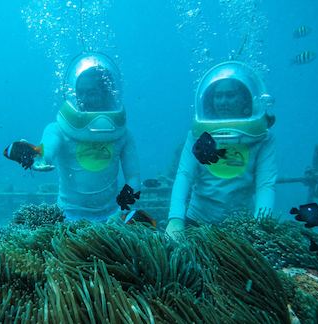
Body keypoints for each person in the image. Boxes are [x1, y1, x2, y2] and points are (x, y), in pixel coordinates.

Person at [166, 61, 277, 238]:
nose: (223, 101)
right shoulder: (195, 134)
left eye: (230, 95)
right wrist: (176, 219)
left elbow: (265, 184)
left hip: (242, 225)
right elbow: (184, 175)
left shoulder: (263, 137)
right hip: (197, 221)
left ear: (244, 98)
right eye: (218, 96)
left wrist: (260, 227)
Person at [32, 52, 141, 222]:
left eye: (91, 93)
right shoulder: (58, 129)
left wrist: (123, 209)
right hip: (67, 216)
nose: (83, 99)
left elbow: (133, 177)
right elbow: (47, 149)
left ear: (107, 94)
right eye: (79, 93)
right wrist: (40, 157)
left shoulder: (123, 135)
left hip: (111, 216)